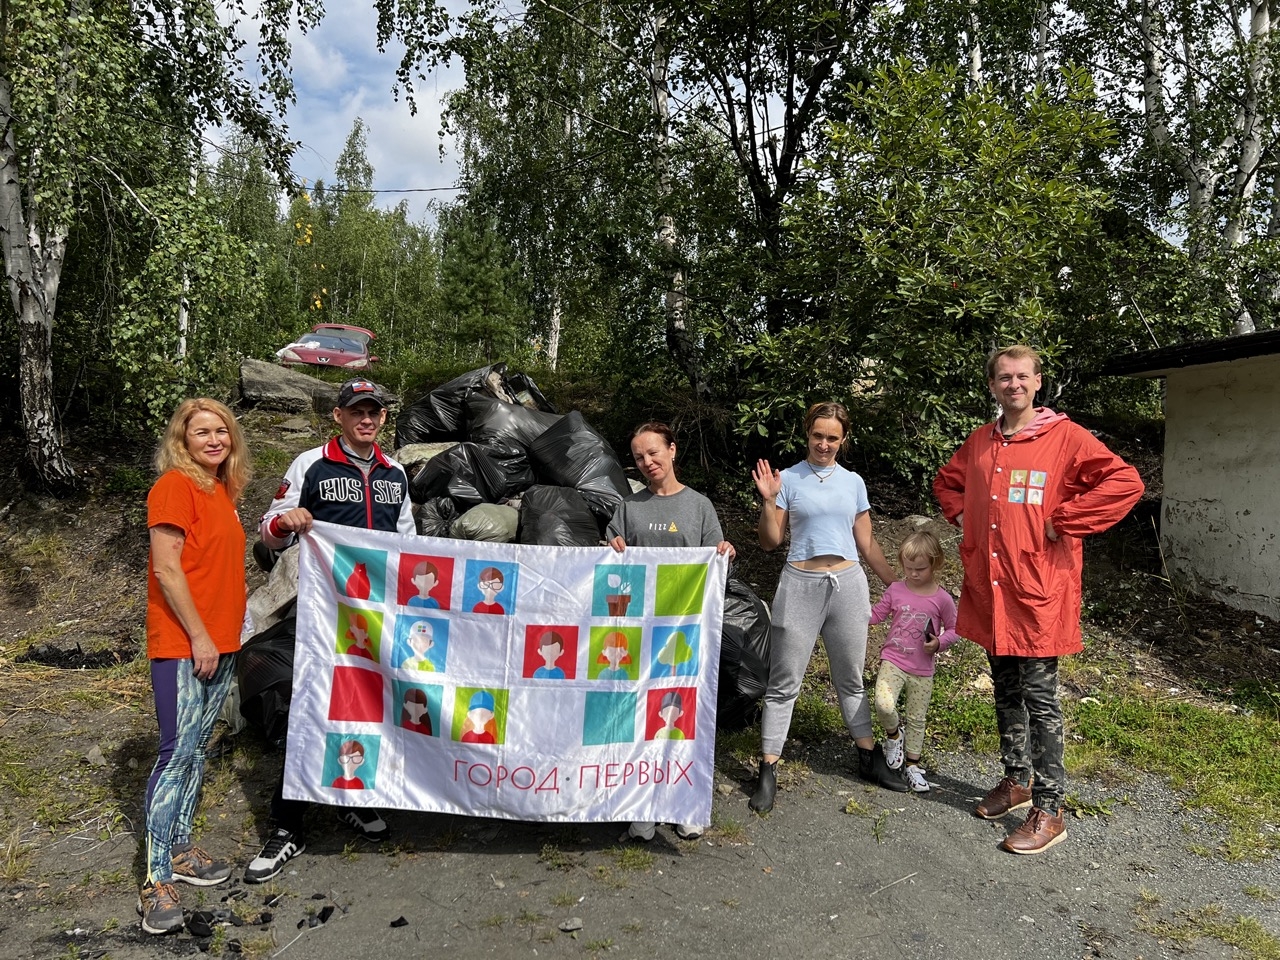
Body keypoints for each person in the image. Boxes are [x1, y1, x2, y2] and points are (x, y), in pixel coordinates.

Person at [934, 344, 1143, 854]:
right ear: (992, 386)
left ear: (1037, 382)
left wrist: (1064, 520)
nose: (1013, 385)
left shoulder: (1064, 438)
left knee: (1041, 701)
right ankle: (1016, 780)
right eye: (1003, 377)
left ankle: (1050, 809)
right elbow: (948, 483)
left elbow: (1124, 482)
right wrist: (965, 519)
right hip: (992, 590)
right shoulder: (981, 441)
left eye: (1022, 376)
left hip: (1038, 594)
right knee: (1005, 693)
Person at [246, 378, 414, 883]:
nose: (366, 419)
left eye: (375, 412)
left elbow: (408, 543)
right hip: (320, 612)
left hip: (374, 617)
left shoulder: (396, 473)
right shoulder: (309, 464)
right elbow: (268, 529)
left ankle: (350, 798)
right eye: (356, 411)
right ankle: (287, 825)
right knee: (310, 705)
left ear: (383, 419)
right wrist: (286, 523)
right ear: (338, 416)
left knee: (364, 705)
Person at [749, 401, 902, 814]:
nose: (825, 444)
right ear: (807, 435)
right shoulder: (789, 480)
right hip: (800, 584)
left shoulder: (853, 482)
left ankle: (868, 757)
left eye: (833, 437)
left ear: (843, 439)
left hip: (848, 585)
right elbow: (769, 542)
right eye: (818, 436)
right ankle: (768, 767)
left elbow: (866, 543)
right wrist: (768, 501)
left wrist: (897, 585)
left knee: (851, 677)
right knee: (784, 682)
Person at [139, 398, 251, 935]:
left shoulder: (223, 490)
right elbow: (166, 568)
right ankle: (156, 878)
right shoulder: (174, 488)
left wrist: (224, 636)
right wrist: (201, 636)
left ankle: (181, 848)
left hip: (220, 642)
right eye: (201, 432)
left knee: (196, 750)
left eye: (221, 431)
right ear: (182, 440)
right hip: (185, 644)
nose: (214, 440)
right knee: (174, 752)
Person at [607, 421, 735, 841]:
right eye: (640, 457)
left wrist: (724, 553)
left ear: (673, 451)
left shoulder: (699, 507)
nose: (647, 462)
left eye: (654, 453)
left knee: (684, 716)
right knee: (640, 716)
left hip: (686, 633)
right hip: (640, 634)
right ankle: (644, 803)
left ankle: (686, 803)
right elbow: (607, 566)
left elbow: (718, 557)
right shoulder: (629, 508)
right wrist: (612, 549)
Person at [870, 531, 959, 794]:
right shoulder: (896, 589)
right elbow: (876, 615)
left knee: (917, 719)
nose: (913, 574)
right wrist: (855, 615)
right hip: (893, 660)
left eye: (920, 569)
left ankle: (913, 766)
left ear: (935, 564)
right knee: (883, 704)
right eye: (908, 568)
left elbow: (955, 629)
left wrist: (939, 643)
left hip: (922, 670)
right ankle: (894, 736)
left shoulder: (942, 599)